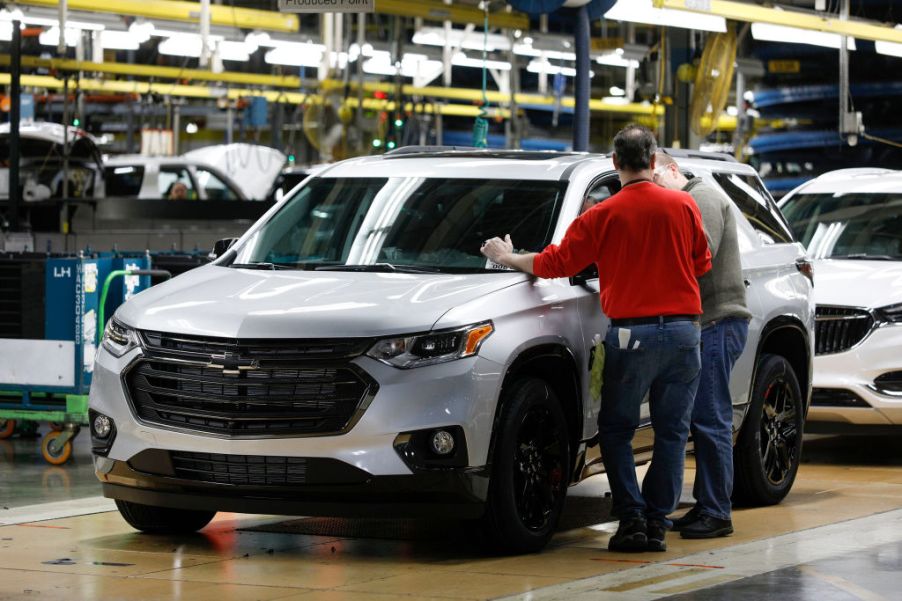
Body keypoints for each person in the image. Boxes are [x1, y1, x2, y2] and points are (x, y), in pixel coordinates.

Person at [481, 125, 711, 553]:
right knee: (672, 432)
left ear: (615, 163)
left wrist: (506, 256)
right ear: (653, 160)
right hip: (684, 333)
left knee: (617, 429)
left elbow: (555, 264)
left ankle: (632, 521)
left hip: (632, 334)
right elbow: (702, 262)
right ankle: (657, 523)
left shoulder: (602, 216)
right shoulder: (684, 205)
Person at [653, 150, 751, 539]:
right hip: (705, 324)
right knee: (701, 419)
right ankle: (705, 505)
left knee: (711, 420)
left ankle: (717, 511)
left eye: (657, 181)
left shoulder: (702, 198)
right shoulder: (685, 200)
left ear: (673, 170)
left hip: (717, 322)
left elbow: (699, 255)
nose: (654, 190)